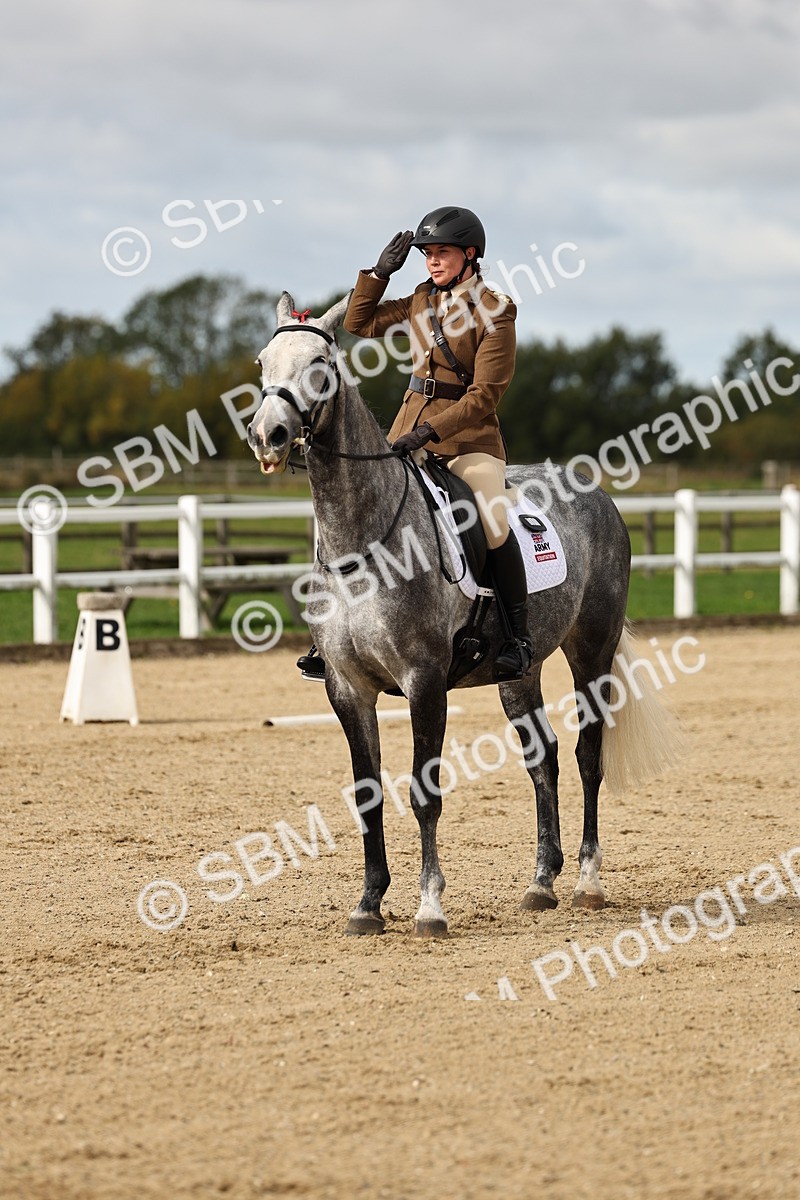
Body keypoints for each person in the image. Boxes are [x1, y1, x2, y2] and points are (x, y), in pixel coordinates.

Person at [297, 205, 532, 684]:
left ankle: (518, 637)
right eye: (427, 253)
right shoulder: (421, 299)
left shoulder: (496, 309)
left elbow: (486, 393)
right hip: (405, 433)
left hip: (467, 441)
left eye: (441, 252)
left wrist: (431, 431)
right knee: (353, 510)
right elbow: (359, 324)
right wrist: (378, 274)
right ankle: (332, 634)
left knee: (490, 519)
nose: (432, 261)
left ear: (470, 254)